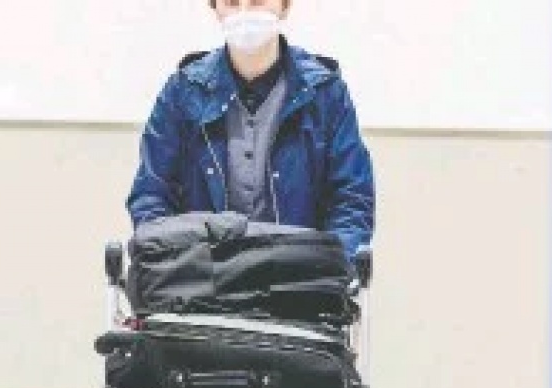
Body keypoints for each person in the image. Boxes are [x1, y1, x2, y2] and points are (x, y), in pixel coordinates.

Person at [127, 0, 375, 262]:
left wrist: (331, 268)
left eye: (257, 1)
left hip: (302, 276)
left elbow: (352, 199)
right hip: (202, 276)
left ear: (285, 6)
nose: (244, 13)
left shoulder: (325, 93)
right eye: (232, 3)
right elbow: (152, 195)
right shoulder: (183, 92)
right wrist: (174, 266)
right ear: (215, 8)